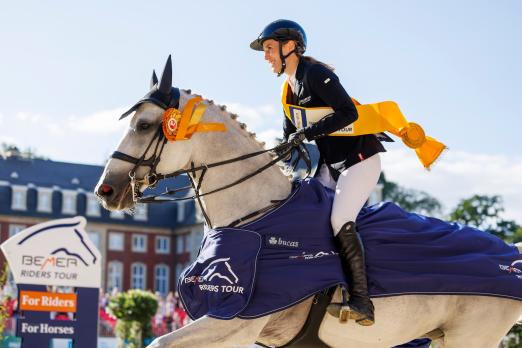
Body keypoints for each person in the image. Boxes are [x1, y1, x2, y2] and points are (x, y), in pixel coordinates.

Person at [250, 19, 386, 326]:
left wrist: (307, 133)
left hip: (359, 159)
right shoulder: (288, 91)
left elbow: (348, 113)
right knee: (303, 208)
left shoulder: (316, 75)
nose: (266, 56)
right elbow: (288, 140)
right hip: (330, 166)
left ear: (290, 47)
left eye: (270, 49)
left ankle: (363, 302)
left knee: (339, 219)